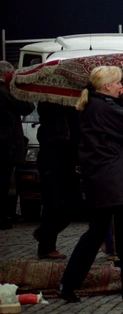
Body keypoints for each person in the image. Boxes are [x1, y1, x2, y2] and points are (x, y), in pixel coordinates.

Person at [58, 66, 123, 302]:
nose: (121, 86)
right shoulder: (103, 107)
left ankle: (68, 283)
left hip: (102, 180)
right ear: (107, 86)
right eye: (119, 83)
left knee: (96, 233)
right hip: (116, 179)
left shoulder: (94, 105)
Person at [33, 102, 83, 259]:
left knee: (74, 203)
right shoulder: (49, 99)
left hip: (70, 154)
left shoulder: (75, 102)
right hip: (51, 154)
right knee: (52, 203)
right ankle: (46, 247)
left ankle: (43, 233)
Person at [0, 61, 35, 230]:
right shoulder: (5, 91)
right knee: (3, 181)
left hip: (6, 144)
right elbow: (26, 107)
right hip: (5, 146)